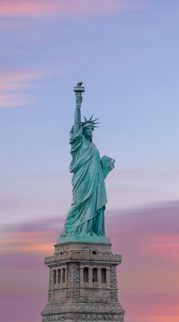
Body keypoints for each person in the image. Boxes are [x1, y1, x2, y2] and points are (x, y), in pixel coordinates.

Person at [59, 83, 115, 241]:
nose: (90, 131)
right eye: (88, 129)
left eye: (92, 129)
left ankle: (89, 231)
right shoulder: (79, 143)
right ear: (82, 131)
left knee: (94, 205)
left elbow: (97, 169)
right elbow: (77, 124)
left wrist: (106, 167)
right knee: (79, 203)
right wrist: (78, 102)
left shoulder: (93, 147)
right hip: (82, 178)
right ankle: (73, 230)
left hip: (95, 182)